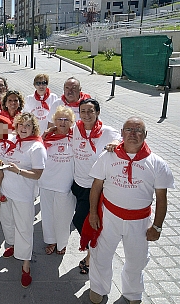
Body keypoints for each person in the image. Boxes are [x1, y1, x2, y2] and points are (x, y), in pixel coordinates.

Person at [83, 117, 174, 304]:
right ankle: (99, 288)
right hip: (109, 217)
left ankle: (132, 293)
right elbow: (96, 185)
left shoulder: (157, 163)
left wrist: (157, 227)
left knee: (137, 260)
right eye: (129, 129)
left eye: (138, 130)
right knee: (101, 254)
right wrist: (93, 213)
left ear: (146, 135)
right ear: (122, 133)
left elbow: (162, 199)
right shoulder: (108, 156)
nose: (133, 134)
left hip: (139, 221)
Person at [72, 98, 121, 275]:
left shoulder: (107, 132)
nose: (86, 114)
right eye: (83, 111)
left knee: (81, 221)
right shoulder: (75, 129)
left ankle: (93, 256)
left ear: (98, 112)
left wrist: (116, 144)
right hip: (77, 184)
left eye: (90, 111)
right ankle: (94, 252)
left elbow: (122, 141)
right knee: (85, 222)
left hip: (95, 188)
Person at [0, 112, 46, 288]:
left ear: (33, 128)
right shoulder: (11, 139)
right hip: (6, 190)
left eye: (27, 126)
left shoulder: (36, 147)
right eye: (20, 125)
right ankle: (12, 245)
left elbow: (38, 174)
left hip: (23, 194)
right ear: (16, 126)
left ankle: (26, 264)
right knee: (7, 222)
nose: (23, 129)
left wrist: (18, 170)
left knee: (24, 228)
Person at [38, 106, 75, 255]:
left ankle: (62, 242)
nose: (63, 122)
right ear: (54, 121)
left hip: (65, 183)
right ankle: (51, 240)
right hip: (46, 181)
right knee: (47, 214)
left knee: (63, 216)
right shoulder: (46, 137)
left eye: (66, 119)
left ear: (72, 122)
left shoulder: (77, 137)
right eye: (59, 119)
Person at [0, 90, 25, 223]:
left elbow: (26, 135)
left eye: (16, 100)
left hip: (18, 156)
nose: (13, 103)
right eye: (10, 100)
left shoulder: (23, 117)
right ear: (5, 103)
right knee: (0, 181)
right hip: (1, 154)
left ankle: (15, 213)